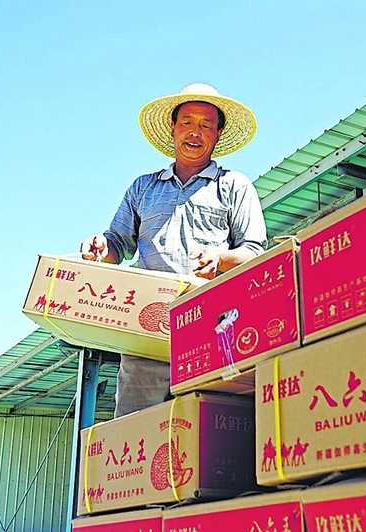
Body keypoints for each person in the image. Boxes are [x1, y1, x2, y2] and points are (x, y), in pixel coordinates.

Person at [80, 83, 267, 417]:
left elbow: (254, 252)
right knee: (137, 426)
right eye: (187, 122)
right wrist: (101, 247)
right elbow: (117, 244)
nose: (195, 132)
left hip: (211, 330)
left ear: (218, 134)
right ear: (173, 128)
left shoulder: (234, 185)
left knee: (208, 423)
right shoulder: (143, 187)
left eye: (206, 124)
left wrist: (220, 258)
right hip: (145, 336)